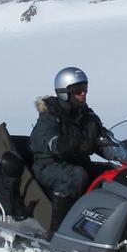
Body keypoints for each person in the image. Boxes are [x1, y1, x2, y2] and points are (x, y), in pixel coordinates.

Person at [30, 66, 106, 232]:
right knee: (76, 177)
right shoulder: (50, 114)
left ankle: (101, 230)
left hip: (77, 164)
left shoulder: (88, 116)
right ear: (64, 92)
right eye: (77, 90)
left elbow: (103, 138)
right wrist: (71, 144)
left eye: (84, 89)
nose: (83, 94)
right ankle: (58, 232)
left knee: (112, 176)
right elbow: (46, 140)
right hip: (48, 166)